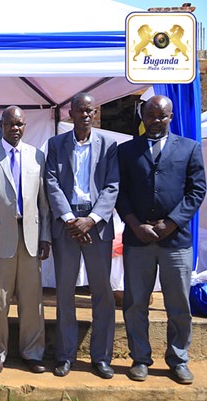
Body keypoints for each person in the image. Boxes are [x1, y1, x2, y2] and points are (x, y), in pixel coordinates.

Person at [117, 95, 206, 384]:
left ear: (170, 117)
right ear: (142, 115)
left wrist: (171, 223)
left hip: (175, 241)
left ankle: (178, 358)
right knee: (135, 303)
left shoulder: (189, 148)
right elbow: (120, 192)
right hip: (137, 239)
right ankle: (140, 358)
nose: (156, 121)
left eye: (162, 116)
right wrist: (134, 224)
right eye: (151, 115)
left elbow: (196, 190)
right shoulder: (126, 150)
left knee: (179, 304)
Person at [0, 106, 51, 374]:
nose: (15, 129)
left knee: (31, 300)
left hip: (29, 237)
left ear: (24, 126)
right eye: (10, 124)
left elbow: (43, 204)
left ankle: (32, 352)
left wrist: (45, 237)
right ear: (1, 126)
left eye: (19, 124)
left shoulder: (37, 156)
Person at [45, 92, 119, 379]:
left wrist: (91, 219)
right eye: (80, 111)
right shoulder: (56, 144)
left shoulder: (109, 146)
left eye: (90, 111)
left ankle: (101, 357)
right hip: (67, 225)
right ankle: (65, 356)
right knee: (65, 293)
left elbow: (112, 186)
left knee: (102, 294)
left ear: (95, 113)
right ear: (70, 114)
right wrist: (70, 219)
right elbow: (50, 181)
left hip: (96, 226)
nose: (86, 115)